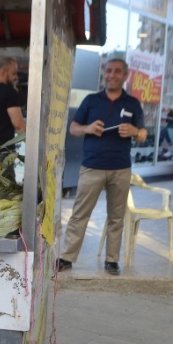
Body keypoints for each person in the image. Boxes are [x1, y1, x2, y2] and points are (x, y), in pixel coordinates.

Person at [57, 57, 148, 276]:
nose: (112, 75)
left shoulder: (133, 103)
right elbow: (73, 128)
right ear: (104, 74)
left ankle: (112, 260)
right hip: (92, 167)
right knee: (80, 214)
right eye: (108, 71)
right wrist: (88, 128)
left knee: (116, 217)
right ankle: (67, 257)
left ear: (125, 76)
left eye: (117, 71)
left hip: (121, 168)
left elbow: (144, 135)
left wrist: (135, 132)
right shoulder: (91, 100)